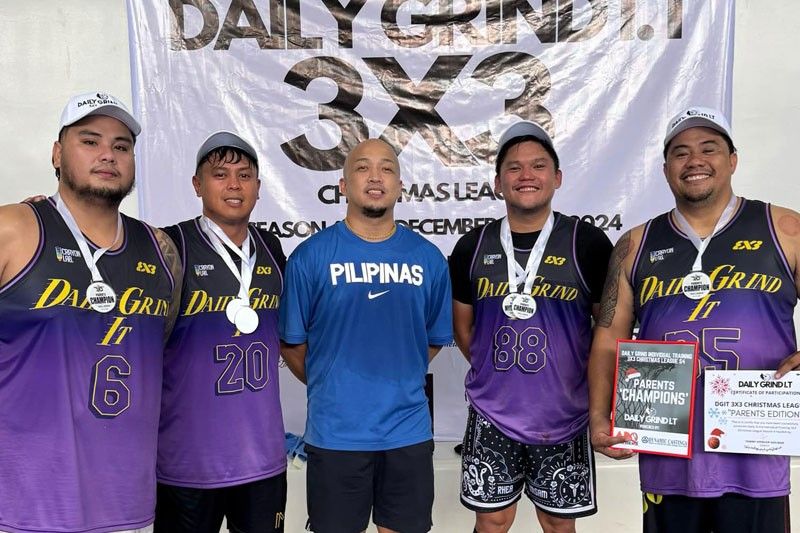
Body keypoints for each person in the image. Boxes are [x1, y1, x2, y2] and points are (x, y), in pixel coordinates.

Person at [588, 106, 800, 533]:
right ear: (666, 168)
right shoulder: (635, 243)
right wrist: (597, 417)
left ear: (732, 160)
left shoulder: (783, 227)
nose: (695, 161)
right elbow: (609, 337)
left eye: (709, 148)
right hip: (669, 453)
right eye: (681, 153)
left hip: (754, 451)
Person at [0, 92, 181, 533]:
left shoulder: (160, 249)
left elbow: (159, 343)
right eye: (90, 141)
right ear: (58, 154)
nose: (108, 154)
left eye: (122, 146)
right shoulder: (14, 228)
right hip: (26, 505)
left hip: (128, 505)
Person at [279, 138, 453, 533]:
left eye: (387, 168)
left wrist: (394, 377)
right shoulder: (310, 257)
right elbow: (292, 344)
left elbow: (430, 340)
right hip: (336, 435)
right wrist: (333, 381)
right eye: (362, 167)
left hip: (407, 432)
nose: (375, 176)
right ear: (342, 185)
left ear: (400, 185)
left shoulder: (428, 259)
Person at [449, 121, 613, 533]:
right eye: (514, 167)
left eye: (538, 166)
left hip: (566, 413)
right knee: (492, 520)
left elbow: (608, 330)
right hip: (492, 412)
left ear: (556, 178)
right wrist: (499, 372)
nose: (526, 176)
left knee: (559, 523)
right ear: (498, 183)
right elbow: (465, 331)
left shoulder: (587, 242)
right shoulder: (472, 246)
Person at [154, 131, 288, 533]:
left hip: (262, 459)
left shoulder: (272, 248)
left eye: (244, 175)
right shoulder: (168, 245)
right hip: (186, 462)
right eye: (220, 174)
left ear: (259, 188)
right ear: (197, 184)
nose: (234, 184)